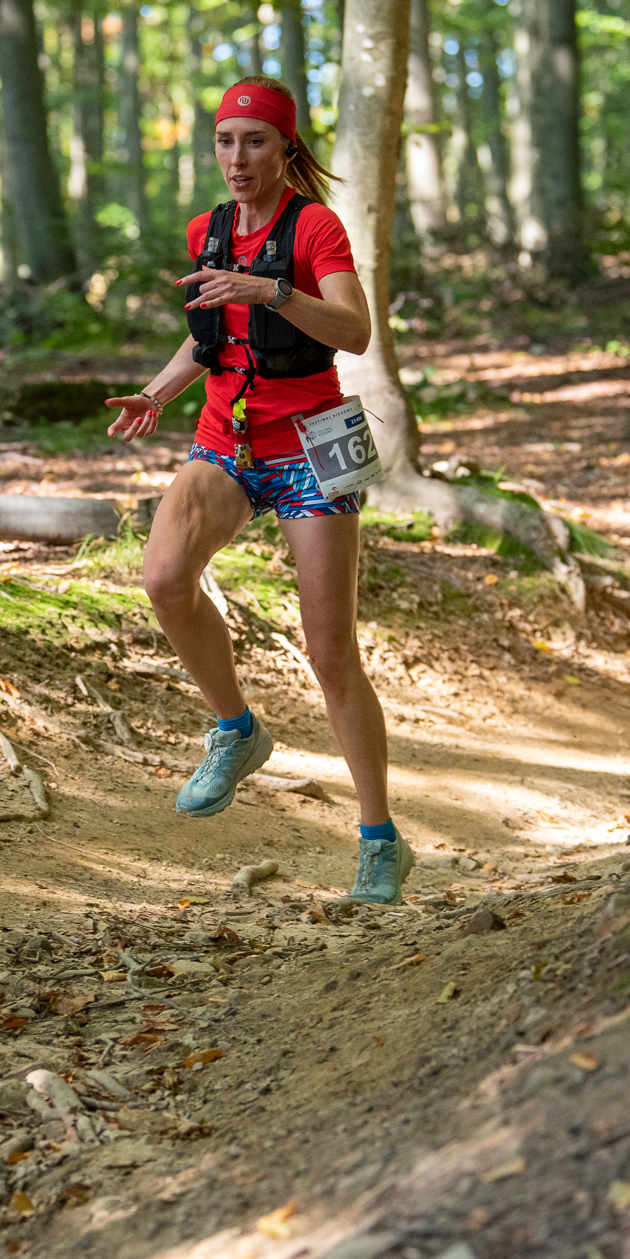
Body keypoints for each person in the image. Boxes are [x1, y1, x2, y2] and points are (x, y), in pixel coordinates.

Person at [102, 76, 412, 906]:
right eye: (225, 142)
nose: (238, 159)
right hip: (226, 440)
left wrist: (273, 289)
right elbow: (208, 338)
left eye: (256, 143)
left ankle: (380, 839)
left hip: (314, 444)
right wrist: (155, 394)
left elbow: (355, 330)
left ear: (286, 149)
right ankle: (236, 730)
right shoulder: (208, 229)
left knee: (330, 650)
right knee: (165, 578)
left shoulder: (314, 225)